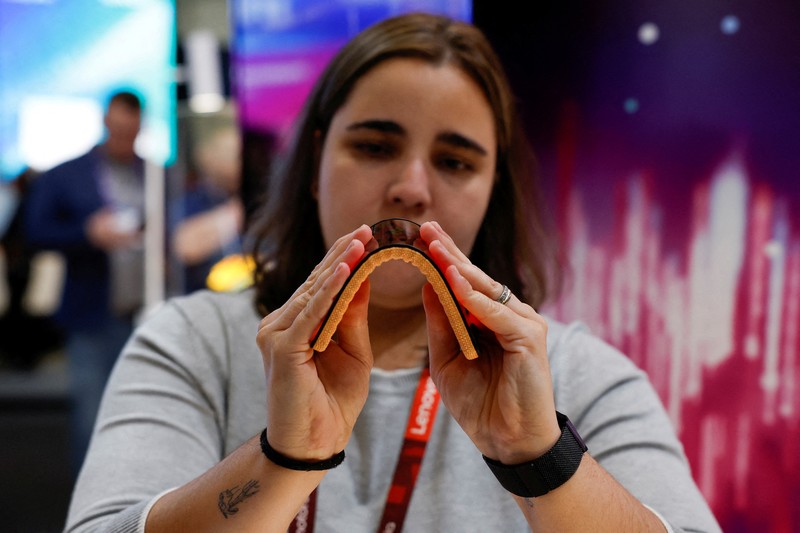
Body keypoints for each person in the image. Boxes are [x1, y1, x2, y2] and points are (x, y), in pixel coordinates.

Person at [65, 14, 721, 533]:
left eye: (456, 162)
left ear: (495, 188)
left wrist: (539, 455)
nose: (411, 189)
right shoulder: (195, 342)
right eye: (375, 146)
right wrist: (284, 459)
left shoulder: (581, 376)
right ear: (318, 162)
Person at [24, 90, 146, 474]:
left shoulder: (156, 173)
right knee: (92, 417)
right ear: (106, 121)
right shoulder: (68, 173)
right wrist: (87, 233)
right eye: (118, 123)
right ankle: (91, 509)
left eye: (132, 124)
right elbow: (35, 232)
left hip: (147, 311)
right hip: (93, 310)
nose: (124, 131)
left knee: (142, 415)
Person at [168, 125, 244, 293]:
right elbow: (185, 247)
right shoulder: (192, 200)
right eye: (236, 156)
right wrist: (231, 216)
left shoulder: (251, 196)